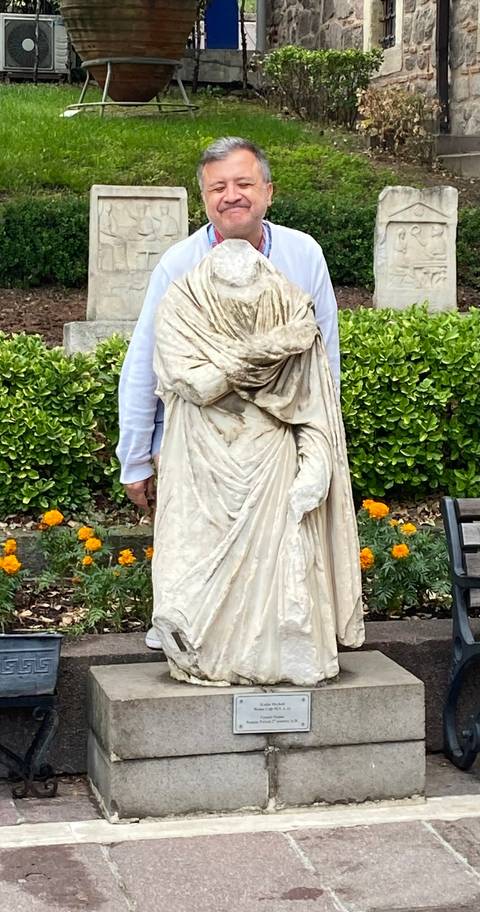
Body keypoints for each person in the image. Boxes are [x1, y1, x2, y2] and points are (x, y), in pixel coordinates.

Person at [116, 136, 342, 649]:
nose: (231, 195)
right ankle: (190, 639)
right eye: (218, 187)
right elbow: (146, 364)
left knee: (277, 562)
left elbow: (324, 363)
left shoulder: (303, 255)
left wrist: (320, 441)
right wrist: (135, 458)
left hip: (276, 445)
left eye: (243, 183)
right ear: (204, 199)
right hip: (197, 448)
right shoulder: (179, 265)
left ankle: (270, 652)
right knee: (193, 558)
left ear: (268, 191)